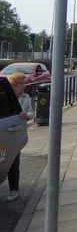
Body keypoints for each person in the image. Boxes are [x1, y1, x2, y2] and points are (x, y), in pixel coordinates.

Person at [5, 73, 32, 202]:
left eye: (24, 83)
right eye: (21, 83)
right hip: (4, 131)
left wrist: (27, 115)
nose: (24, 86)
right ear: (13, 85)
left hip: (16, 134)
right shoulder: (5, 97)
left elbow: (32, 112)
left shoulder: (26, 97)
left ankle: (13, 190)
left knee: (14, 161)